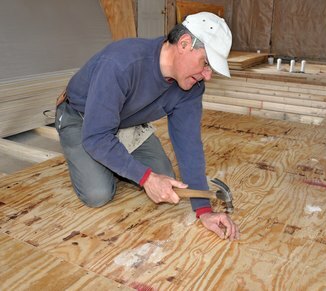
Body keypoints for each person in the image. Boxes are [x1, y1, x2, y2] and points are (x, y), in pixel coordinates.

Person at [55, 12, 239, 240]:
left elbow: (189, 145)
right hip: (83, 119)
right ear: (184, 44)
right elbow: (96, 136)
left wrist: (204, 210)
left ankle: (114, 161)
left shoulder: (191, 87)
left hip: (128, 120)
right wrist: (145, 178)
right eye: (206, 63)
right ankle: (108, 163)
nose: (207, 76)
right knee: (98, 193)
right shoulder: (121, 63)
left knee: (167, 179)